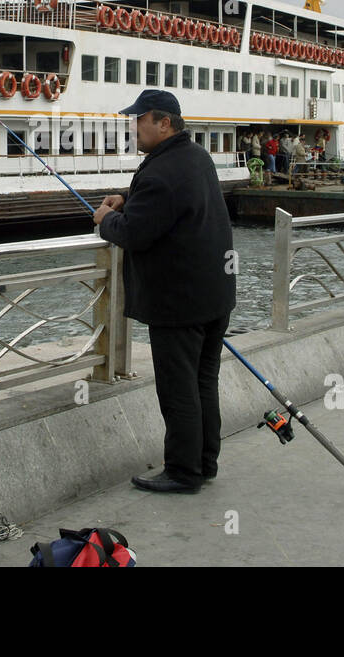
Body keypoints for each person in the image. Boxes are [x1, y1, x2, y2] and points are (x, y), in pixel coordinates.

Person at [93, 89, 235, 494]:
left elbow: (135, 234)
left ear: (164, 123)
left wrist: (106, 218)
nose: (133, 128)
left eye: (140, 120)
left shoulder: (159, 171)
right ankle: (204, 462)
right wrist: (128, 199)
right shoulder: (195, 158)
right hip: (214, 296)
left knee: (178, 389)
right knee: (203, 382)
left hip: (179, 303)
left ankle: (183, 472)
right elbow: (169, 206)